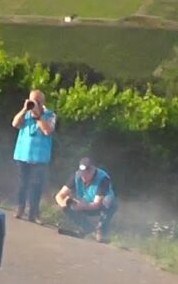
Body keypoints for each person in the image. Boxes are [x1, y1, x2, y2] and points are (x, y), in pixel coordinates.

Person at [11, 89, 56, 222]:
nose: (34, 103)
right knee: (22, 184)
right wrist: (24, 110)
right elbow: (15, 124)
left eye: (36, 101)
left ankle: (34, 213)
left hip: (40, 157)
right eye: (32, 100)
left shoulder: (50, 115)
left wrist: (38, 116)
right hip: (23, 154)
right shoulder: (25, 113)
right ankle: (20, 208)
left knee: (36, 185)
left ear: (42, 102)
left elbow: (47, 130)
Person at [55, 157, 117, 242]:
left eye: (87, 173)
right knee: (68, 205)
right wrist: (64, 204)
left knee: (109, 201)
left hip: (101, 205)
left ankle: (102, 231)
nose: (83, 176)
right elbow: (59, 195)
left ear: (93, 170)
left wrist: (82, 206)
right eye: (82, 173)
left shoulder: (103, 178)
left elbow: (97, 204)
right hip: (86, 203)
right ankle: (88, 229)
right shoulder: (77, 176)